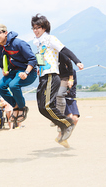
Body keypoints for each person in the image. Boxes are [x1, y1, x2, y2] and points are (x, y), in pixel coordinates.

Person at [32, 14, 84, 144]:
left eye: (38, 27)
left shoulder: (50, 39)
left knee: (48, 106)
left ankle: (68, 123)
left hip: (52, 76)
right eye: (33, 28)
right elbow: (41, 59)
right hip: (43, 77)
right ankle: (63, 124)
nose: (35, 30)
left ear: (44, 28)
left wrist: (77, 61)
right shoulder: (38, 43)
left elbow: (65, 50)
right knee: (42, 108)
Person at [0, 24, 37, 123]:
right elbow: (3, 66)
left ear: (5, 33)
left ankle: (22, 107)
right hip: (13, 72)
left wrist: (26, 73)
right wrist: (4, 71)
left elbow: (33, 59)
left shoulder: (19, 43)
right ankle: (15, 106)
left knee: (13, 85)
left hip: (28, 71)